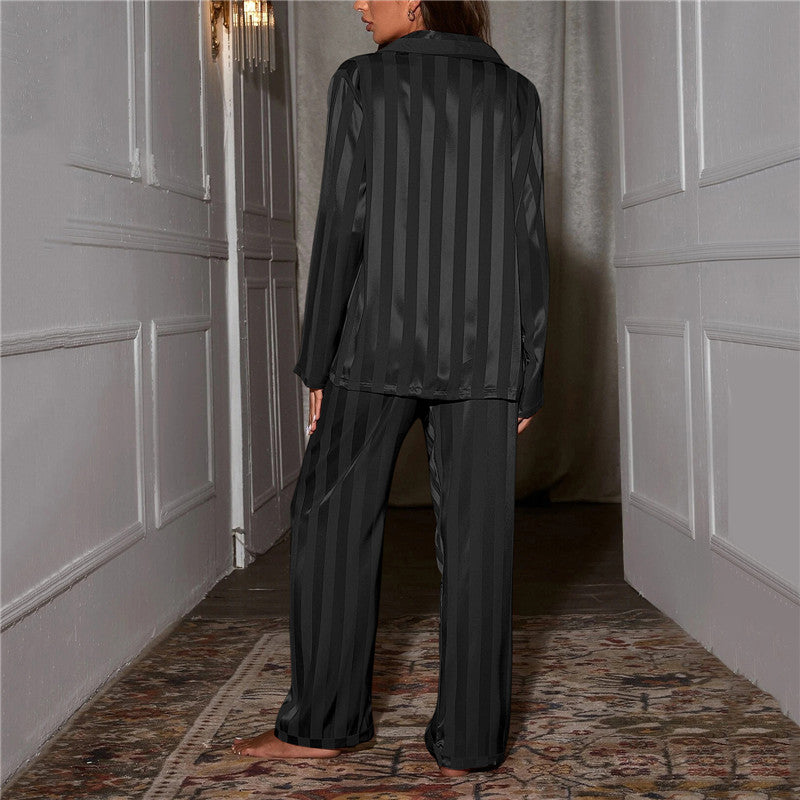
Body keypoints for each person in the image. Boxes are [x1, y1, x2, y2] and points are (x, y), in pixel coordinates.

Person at [232, 0, 549, 777]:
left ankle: (324, 724)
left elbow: (342, 223)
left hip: (375, 347)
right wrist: (528, 372)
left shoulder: (362, 82)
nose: (358, 5)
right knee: (478, 544)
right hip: (484, 356)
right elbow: (527, 238)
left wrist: (317, 361)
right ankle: (471, 742)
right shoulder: (516, 92)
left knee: (330, 521)